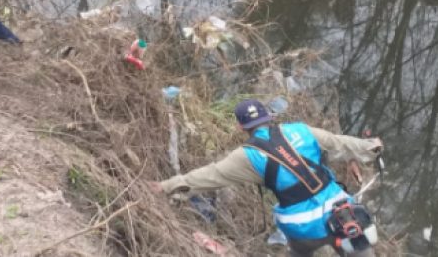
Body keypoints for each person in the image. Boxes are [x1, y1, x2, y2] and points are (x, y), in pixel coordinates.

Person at [153, 99, 383, 257]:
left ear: (241, 126)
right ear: (269, 116)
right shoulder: (302, 130)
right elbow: (340, 142)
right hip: (342, 216)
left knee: (300, 251)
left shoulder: (247, 155)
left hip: (302, 229)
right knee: (358, 245)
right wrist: (371, 147)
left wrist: (164, 187)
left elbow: (209, 176)